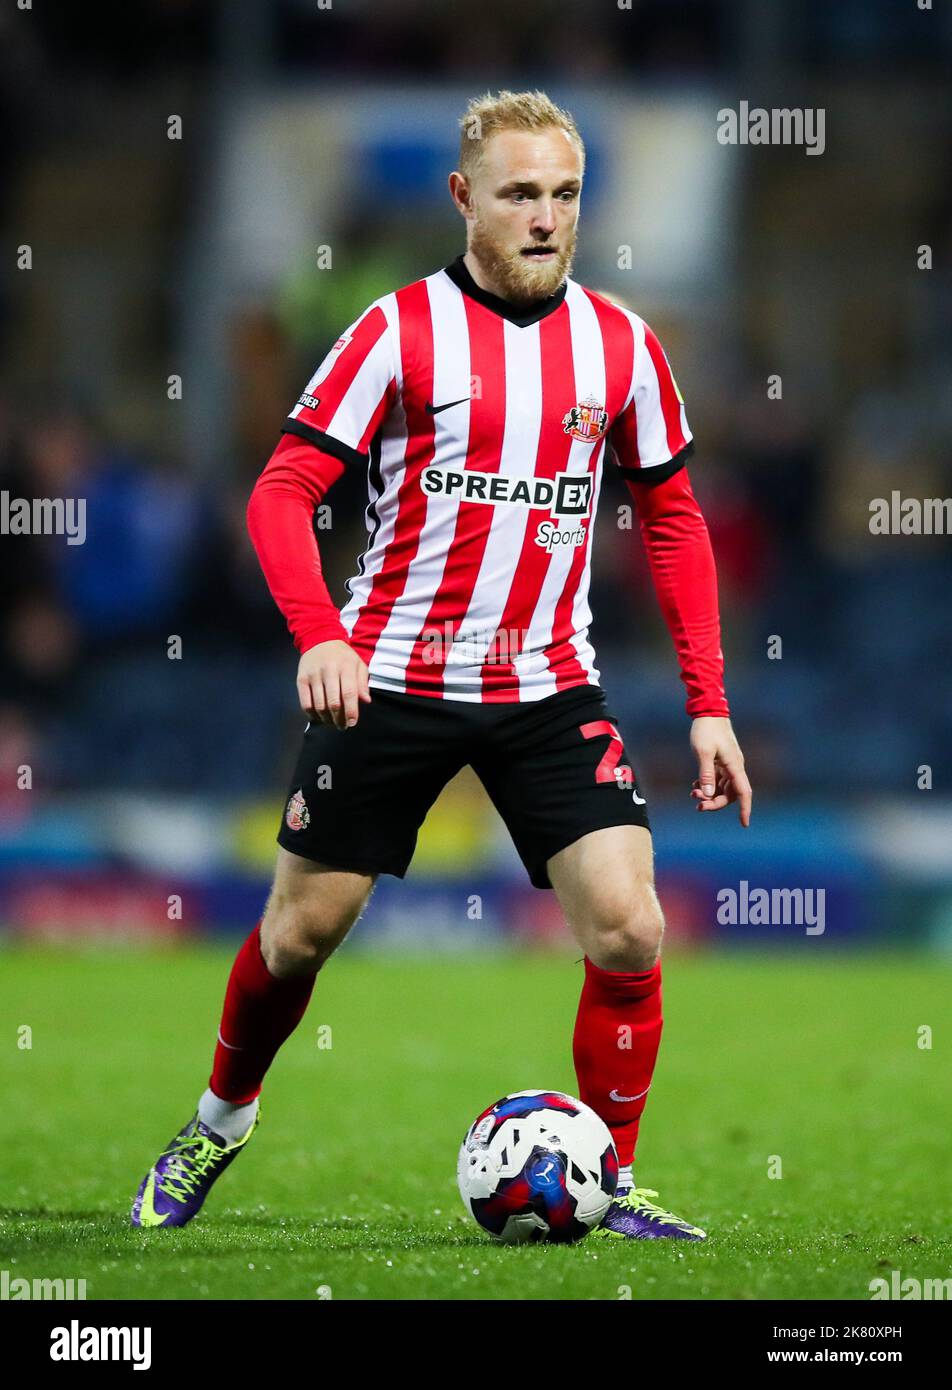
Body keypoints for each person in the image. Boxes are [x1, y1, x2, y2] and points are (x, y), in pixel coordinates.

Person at [132, 89, 752, 1239]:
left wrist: (708, 703)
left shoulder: (621, 346)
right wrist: (320, 628)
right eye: (520, 192)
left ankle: (605, 1180)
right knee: (296, 936)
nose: (545, 216)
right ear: (464, 197)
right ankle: (216, 1121)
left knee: (629, 928)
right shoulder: (396, 332)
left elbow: (672, 523)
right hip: (393, 679)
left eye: (564, 194)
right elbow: (282, 491)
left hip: (547, 686)